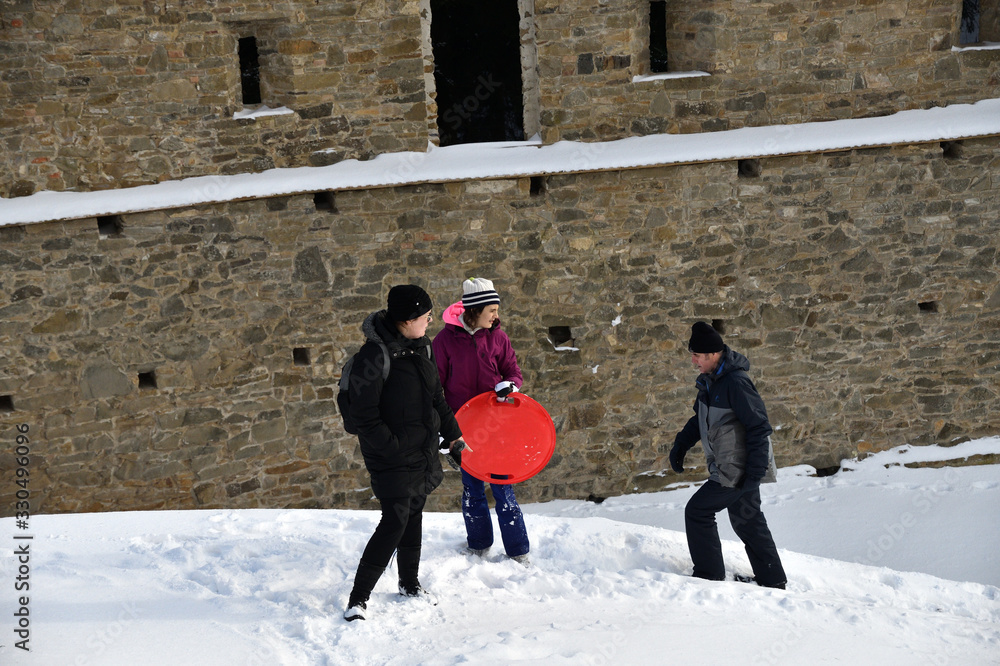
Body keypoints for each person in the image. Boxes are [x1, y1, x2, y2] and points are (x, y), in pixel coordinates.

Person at [343, 284, 467, 622]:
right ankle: (358, 598)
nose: (430, 322)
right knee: (394, 519)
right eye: (426, 316)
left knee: (413, 513)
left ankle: (409, 584)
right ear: (407, 319)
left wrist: (453, 435)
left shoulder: (422, 348)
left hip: (420, 450)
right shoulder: (374, 357)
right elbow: (363, 416)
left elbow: (436, 398)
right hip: (391, 455)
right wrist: (393, 448)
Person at [669, 321, 787, 589]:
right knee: (748, 521)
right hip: (733, 469)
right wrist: (681, 445)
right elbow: (699, 418)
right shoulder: (710, 383)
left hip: (736, 470)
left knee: (698, 511)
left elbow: (759, 427)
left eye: (697, 356)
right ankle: (773, 580)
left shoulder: (736, 382)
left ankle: (709, 576)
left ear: (713, 354)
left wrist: (755, 472)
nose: (693, 361)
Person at [432, 278, 530, 563]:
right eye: (492, 310)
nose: (496, 316)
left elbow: (513, 371)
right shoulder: (445, 341)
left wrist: (509, 385)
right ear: (474, 310)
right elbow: (434, 387)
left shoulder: (498, 337)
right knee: (472, 488)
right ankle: (478, 545)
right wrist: (442, 428)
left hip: (496, 427)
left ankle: (518, 551)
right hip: (463, 428)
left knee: (503, 488)